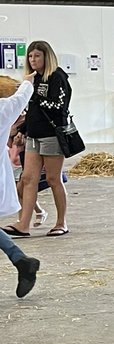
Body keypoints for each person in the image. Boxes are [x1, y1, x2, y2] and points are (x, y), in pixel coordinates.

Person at [3, 41, 71, 239]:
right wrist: (22, 130)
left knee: (53, 179)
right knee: (27, 179)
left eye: (37, 56)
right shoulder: (34, 80)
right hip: (34, 135)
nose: (33, 60)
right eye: (30, 57)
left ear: (46, 57)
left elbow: (59, 106)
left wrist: (30, 94)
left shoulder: (57, 77)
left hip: (52, 135)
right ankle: (24, 224)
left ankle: (61, 222)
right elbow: (32, 112)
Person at [0, 74, 41, 297]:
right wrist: (27, 82)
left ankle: (22, 261)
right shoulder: (4, 109)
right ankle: (22, 261)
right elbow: (21, 98)